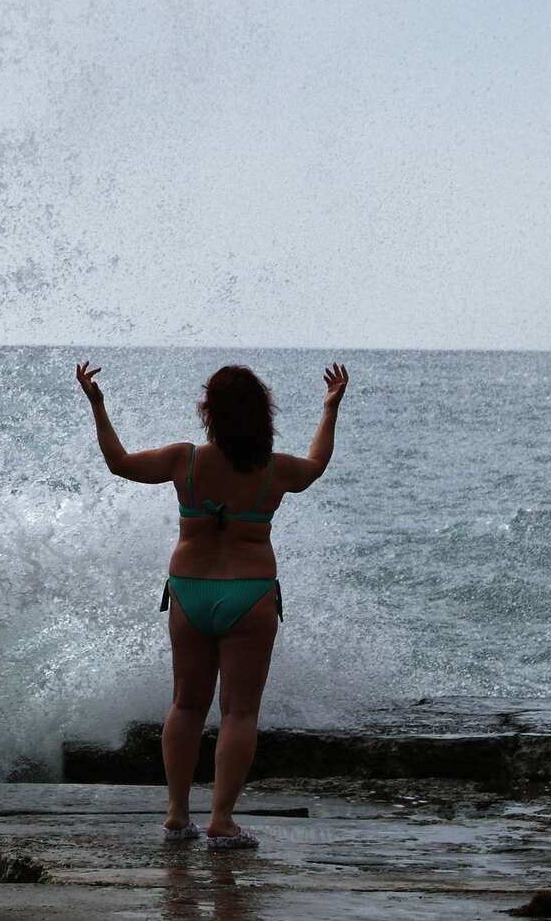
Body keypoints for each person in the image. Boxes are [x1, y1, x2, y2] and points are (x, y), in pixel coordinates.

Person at [75, 358, 347, 848]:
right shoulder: (276, 469)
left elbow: (119, 464)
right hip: (251, 593)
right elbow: (317, 466)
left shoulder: (186, 460)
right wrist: (329, 410)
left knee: (185, 704)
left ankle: (177, 815)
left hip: (190, 589)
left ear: (209, 412)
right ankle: (222, 820)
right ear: (262, 414)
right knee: (239, 713)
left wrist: (98, 405)